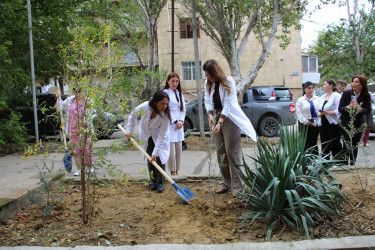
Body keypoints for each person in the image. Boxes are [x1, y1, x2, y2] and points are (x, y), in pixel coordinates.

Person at [203, 59, 257, 197]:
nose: (208, 78)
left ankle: (238, 187)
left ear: (215, 72)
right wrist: (210, 115)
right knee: (221, 152)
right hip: (216, 117)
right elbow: (207, 100)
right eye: (206, 75)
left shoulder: (228, 81)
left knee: (231, 151)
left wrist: (220, 122)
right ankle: (226, 183)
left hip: (229, 118)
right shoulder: (208, 82)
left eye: (209, 74)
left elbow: (228, 103)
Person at [126, 90, 171, 193]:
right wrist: (129, 131)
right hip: (146, 134)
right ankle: (153, 181)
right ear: (155, 102)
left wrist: (155, 153)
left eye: (166, 104)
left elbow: (162, 135)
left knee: (159, 158)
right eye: (162, 104)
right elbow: (133, 115)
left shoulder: (165, 116)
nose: (164, 106)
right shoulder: (144, 107)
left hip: (159, 136)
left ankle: (160, 182)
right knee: (149, 156)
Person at [56, 86, 94, 176]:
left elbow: (92, 114)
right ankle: (79, 168)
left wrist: (84, 122)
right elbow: (60, 108)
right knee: (76, 149)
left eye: (79, 91)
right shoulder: (70, 100)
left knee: (86, 148)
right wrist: (58, 98)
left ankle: (89, 166)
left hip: (85, 128)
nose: (77, 93)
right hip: (72, 128)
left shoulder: (88, 100)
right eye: (76, 91)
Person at [338, 75, 372, 165]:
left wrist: (360, 109)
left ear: (362, 84)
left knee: (355, 145)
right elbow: (340, 109)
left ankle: (353, 164)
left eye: (356, 82)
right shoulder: (346, 93)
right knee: (346, 144)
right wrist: (348, 107)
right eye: (353, 81)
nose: (353, 83)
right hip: (346, 122)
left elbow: (368, 109)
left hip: (358, 123)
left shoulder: (365, 95)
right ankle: (344, 164)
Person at [163, 72, 186, 176]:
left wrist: (181, 121)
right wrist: (175, 121)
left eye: (177, 81)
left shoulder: (179, 93)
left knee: (178, 148)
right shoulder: (165, 93)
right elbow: (166, 109)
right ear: (168, 81)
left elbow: (183, 109)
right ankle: (172, 171)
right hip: (170, 124)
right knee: (171, 148)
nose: (175, 83)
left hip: (179, 125)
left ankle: (177, 169)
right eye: (173, 81)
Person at [316, 79, 342, 159]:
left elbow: (339, 110)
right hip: (322, 122)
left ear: (331, 85)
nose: (323, 86)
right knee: (324, 142)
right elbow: (317, 108)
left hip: (333, 122)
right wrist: (319, 113)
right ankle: (325, 160)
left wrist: (327, 112)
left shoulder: (336, 96)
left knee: (334, 141)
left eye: (325, 84)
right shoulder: (323, 97)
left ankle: (338, 160)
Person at [296, 81, 319, 155]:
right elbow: (299, 113)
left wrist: (315, 122)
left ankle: (314, 159)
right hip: (304, 123)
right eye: (309, 88)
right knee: (305, 142)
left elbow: (319, 110)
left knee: (314, 142)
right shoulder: (301, 100)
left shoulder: (317, 99)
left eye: (312, 88)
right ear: (305, 89)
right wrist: (306, 122)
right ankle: (305, 159)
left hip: (315, 123)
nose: (311, 90)